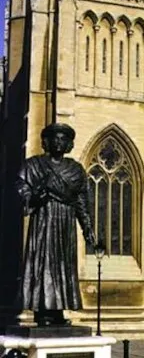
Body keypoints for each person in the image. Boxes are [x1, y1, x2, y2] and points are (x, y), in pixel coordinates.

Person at [16, 123, 100, 327]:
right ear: (46, 142)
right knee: (44, 263)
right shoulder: (33, 166)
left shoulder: (75, 169)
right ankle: (43, 311)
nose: (58, 142)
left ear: (69, 144)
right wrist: (36, 197)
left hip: (65, 223)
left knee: (63, 266)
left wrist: (87, 228)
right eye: (55, 138)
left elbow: (81, 202)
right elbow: (21, 191)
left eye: (63, 139)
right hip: (44, 220)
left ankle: (58, 310)